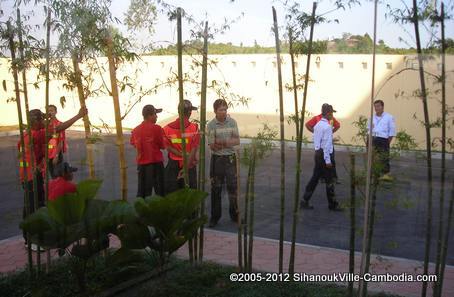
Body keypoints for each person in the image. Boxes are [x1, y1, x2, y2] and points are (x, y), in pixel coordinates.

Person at [18, 107, 87, 248]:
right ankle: (33, 241)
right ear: (35, 121)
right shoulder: (35, 135)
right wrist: (78, 115)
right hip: (32, 177)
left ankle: (28, 238)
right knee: (35, 208)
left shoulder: (27, 134)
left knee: (29, 206)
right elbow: (60, 128)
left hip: (27, 176)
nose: (44, 120)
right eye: (41, 119)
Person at [300, 104, 341, 211]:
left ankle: (304, 200)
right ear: (327, 113)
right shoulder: (327, 127)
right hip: (325, 155)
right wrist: (328, 160)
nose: (332, 115)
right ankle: (332, 204)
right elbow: (327, 145)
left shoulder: (317, 125)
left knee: (315, 178)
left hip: (318, 154)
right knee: (329, 180)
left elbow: (318, 141)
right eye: (331, 113)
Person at [207, 99, 240, 227]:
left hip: (230, 158)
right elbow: (212, 146)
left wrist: (223, 143)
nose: (224, 112)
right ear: (215, 111)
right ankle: (215, 217)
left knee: (233, 188)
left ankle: (235, 215)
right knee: (216, 188)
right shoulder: (211, 125)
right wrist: (226, 143)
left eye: (225, 109)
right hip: (217, 160)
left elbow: (237, 140)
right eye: (221, 109)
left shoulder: (232, 122)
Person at [163, 100, 200, 193]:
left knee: (173, 194)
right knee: (190, 196)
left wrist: (181, 154)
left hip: (173, 166)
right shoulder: (194, 128)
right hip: (189, 164)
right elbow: (194, 149)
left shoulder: (166, 129)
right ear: (189, 112)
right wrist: (187, 164)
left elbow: (168, 147)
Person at [130, 105, 165, 197]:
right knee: (160, 192)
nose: (157, 116)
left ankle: (142, 211)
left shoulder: (135, 130)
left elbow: (133, 143)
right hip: (156, 164)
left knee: (143, 194)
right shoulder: (157, 128)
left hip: (142, 165)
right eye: (155, 114)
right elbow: (163, 146)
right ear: (149, 115)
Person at [305, 103, 341, 183]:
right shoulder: (317, 118)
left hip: (328, 143)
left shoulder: (331, 119)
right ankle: (322, 178)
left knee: (331, 160)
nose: (332, 115)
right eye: (331, 113)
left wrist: (331, 133)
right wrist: (315, 132)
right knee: (321, 161)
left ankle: (333, 177)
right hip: (321, 145)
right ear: (325, 112)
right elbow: (307, 125)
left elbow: (338, 125)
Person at [370, 99, 396, 181]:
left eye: (378, 106)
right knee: (374, 158)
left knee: (384, 158)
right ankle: (375, 174)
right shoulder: (371, 117)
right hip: (374, 139)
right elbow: (368, 130)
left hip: (384, 140)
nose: (376, 108)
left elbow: (392, 131)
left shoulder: (389, 117)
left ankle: (385, 175)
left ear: (382, 107)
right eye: (375, 106)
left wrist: (387, 142)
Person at [47, 104, 68, 178]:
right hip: (47, 154)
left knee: (58, 176)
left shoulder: (59, 124)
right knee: (52, 175)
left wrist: (56, 156)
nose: (50, 112)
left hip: (56, 154)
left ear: (56, 112)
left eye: (52, 111)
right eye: (48, 111)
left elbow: (60, 142)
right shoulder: (46, 125)